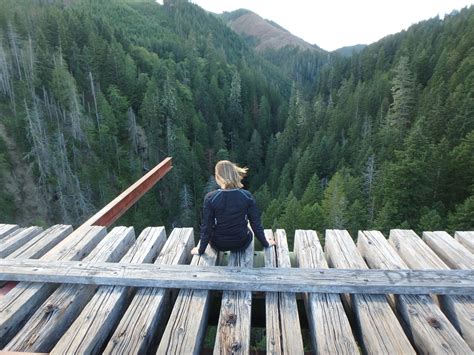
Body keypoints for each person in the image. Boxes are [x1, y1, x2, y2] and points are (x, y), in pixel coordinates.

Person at [191, 160, 276, 255]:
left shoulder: (211, 198)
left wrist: (200, 250)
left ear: (218, 177)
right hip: (241, 243)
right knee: (247, 227)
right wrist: (266, 243)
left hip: (218, 245)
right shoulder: (246, 196)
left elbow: (206, 227)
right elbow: (256, 224)